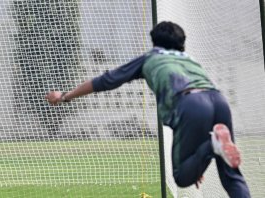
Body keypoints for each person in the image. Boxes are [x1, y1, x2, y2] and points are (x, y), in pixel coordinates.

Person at [45, 21, 250, 197]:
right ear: (182, 44)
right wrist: (198, 162)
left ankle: (213, 146)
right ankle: (215, 146)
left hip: (190, 103)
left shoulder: (150, 58)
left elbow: (105, 81)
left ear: (154, 42)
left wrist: (64, 96)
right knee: (231, 174)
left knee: (181, 177)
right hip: (218, 99)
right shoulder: (189, 59)